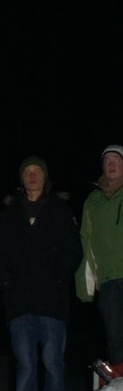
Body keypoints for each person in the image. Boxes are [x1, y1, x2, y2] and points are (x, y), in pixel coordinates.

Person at [0, 157, 81, 391]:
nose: (32, 176)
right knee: (25, 363)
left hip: (52, 302)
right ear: (21, 178)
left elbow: (73, 250)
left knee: (52, 360)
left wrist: (61, 279)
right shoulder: (9, 215)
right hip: (19, 303)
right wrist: (6, 285)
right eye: (27, 172)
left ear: (45, 177)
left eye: (37, 171)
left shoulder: (60, 211)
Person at [75, 145, 123, 375]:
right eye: (107, 160)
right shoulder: (92, 201)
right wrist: (85, 281)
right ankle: (119, 383)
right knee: (114, 334)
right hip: (107, 277)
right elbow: (85, 240)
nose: (112, 163)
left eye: (117, 159)